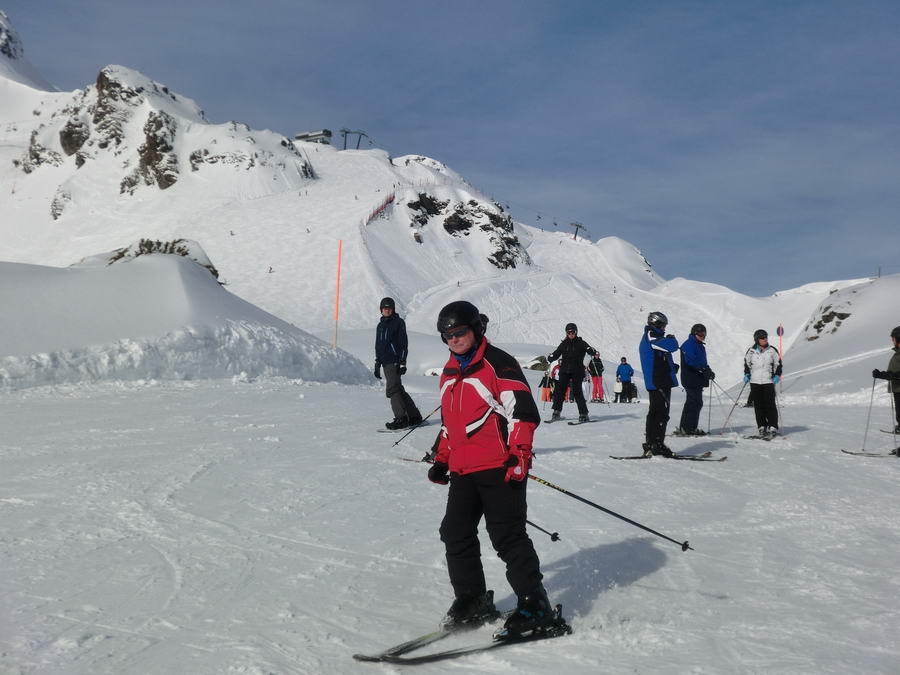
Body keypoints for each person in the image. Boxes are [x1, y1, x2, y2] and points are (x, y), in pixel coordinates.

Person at [428, 301, 562, 636]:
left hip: (500, 466)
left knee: (507, 535)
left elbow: (523, 413)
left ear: (476, 329)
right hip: (463, 468)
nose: (454, 339)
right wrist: (442, 457)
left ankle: (535, 605)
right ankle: (471, 598)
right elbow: (450, 423)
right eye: (447, 335)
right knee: (455, 532)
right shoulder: (448, 373)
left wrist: (520, 456)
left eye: (459, 332)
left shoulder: (498, 363)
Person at [373, 297, 422, 430]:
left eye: (389, 309)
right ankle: (414, 416)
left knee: (392, 390)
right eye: (385, 308)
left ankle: (401, 418)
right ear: (381, 310)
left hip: (394, 361)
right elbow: (378, 345)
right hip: (385, 362)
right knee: (398, 389)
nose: (387, 311)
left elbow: (403, 343)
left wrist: (402, 361)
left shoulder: (398, 323)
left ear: (393, 309)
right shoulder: (380, 325)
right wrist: (377, 362)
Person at [639, 312, 679, 456]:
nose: (664, 329)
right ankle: (657, 443)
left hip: (658, 380)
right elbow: (672, 346)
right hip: (659, 381)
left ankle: (652, 443)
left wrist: (670, 367)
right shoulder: (652, 335)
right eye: (663, 325)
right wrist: (672, 339)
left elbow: (658, 356)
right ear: (656, 324)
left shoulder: (651, 336)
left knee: (655, 412)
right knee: (661, 413)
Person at [546, 323, 597, 422]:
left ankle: (583, 413)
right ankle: (556, 412)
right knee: (560, 391)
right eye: (569, 332)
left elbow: (591, 350)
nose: (571, 334)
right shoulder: (564, 344)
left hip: (577, 370)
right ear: (566, 333)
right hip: (564, 370)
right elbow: (557, 353)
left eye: (573, 332)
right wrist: (551, 357)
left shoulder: (581, 343)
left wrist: (591, 351)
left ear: (576, 332)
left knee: (577, 391)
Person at [675, 324, 715, 436]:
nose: (702, 336)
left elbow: (701, 361)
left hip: (696, 378)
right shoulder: (689, 344)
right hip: (690, 377)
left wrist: (708, 370)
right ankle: (688, 428)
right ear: (694, 333)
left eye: (704, 334)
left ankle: (687, 427)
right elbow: (691, 361)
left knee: (693, 402)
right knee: (695, 402)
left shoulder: (699, 345)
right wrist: (703, 369)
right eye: (700, 334)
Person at [743, 329, 783, 438]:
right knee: (758, 405)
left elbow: (779, 364)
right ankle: (762, 426)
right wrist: (747, 374)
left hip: (768, 381)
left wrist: (777, 375)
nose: (765, 339)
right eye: (762, 337)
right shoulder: (751, 351)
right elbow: (747, 364)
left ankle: (773, 426)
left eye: (766, 337)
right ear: (757, 339)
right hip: (755, 382)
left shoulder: (772, 350)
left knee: (770, 404)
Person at [871, 325, 900, 436]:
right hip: (897, 388)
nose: (892, 341)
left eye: (893, 338)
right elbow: (894, 372)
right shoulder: (897, 353)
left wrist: (890, 375)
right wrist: (883, 375)